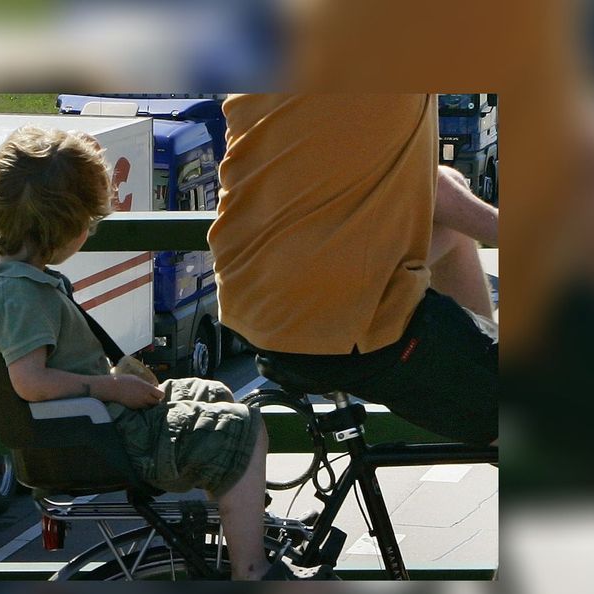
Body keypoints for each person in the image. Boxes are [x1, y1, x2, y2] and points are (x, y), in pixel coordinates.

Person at [0, 125, 276, 580]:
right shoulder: (22, 294)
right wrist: (111, 387)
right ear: (64, 226)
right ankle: (251, 572)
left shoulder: (11, 278)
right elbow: (30, 381)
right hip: (108, 433)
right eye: (88, 224)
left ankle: (233, 525)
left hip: (103, 423)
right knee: (243, 428)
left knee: (213, 394)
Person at [209, 94, 498, 447]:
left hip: (253, 303)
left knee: (447, 223)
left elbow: (433, 186)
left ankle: (483, 393)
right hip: (344, 323)